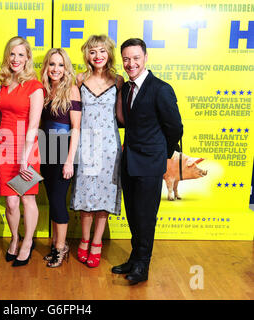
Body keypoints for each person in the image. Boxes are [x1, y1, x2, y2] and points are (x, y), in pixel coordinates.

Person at [111, 38, 183, 284]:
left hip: (150, 165)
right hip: (130, 163)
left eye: (136, 58)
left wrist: (161, 154)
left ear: (145, 58)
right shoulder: (127, 88)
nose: (131, 63)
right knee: (132, 214)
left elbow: (175, 128)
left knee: (145, 216)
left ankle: (143, 265)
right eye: (127, 59)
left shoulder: (160, 88)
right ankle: (134, 258)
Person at [70, 35, 124, 268]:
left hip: (110, 146)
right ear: (87, 55)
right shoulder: (79, 79)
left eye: (102, 51)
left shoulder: (119, 81)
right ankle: (84, 239)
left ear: (109, 53)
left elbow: (123, 115)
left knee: (105, 198)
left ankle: (97, 242)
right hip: (85, 144)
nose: (98, 56)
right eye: (92, 52)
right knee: (85, 196)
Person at [0, 36, 44, 267]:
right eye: (12, 54)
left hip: (27, 150)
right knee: (11, 203)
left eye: (21, 55)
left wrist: (25, 159)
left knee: (27, 200)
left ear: (28, 58)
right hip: (4, 148)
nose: (16, 59)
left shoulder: (35, 86)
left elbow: (34, 126)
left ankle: (27, 242)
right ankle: (14, 239)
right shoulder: (4, 83)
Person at [40, 48, 81, 268]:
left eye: (60, 65)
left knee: (57, 202)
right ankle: (56, 243)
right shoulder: (45, 90)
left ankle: (61, 248)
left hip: (63, 150)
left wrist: (69, 160)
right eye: (52, 64)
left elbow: (76, 128)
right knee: (52, 200)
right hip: (46, 149)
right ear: (46, 67)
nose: (56, 69)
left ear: (66, 68)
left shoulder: (72, 90)